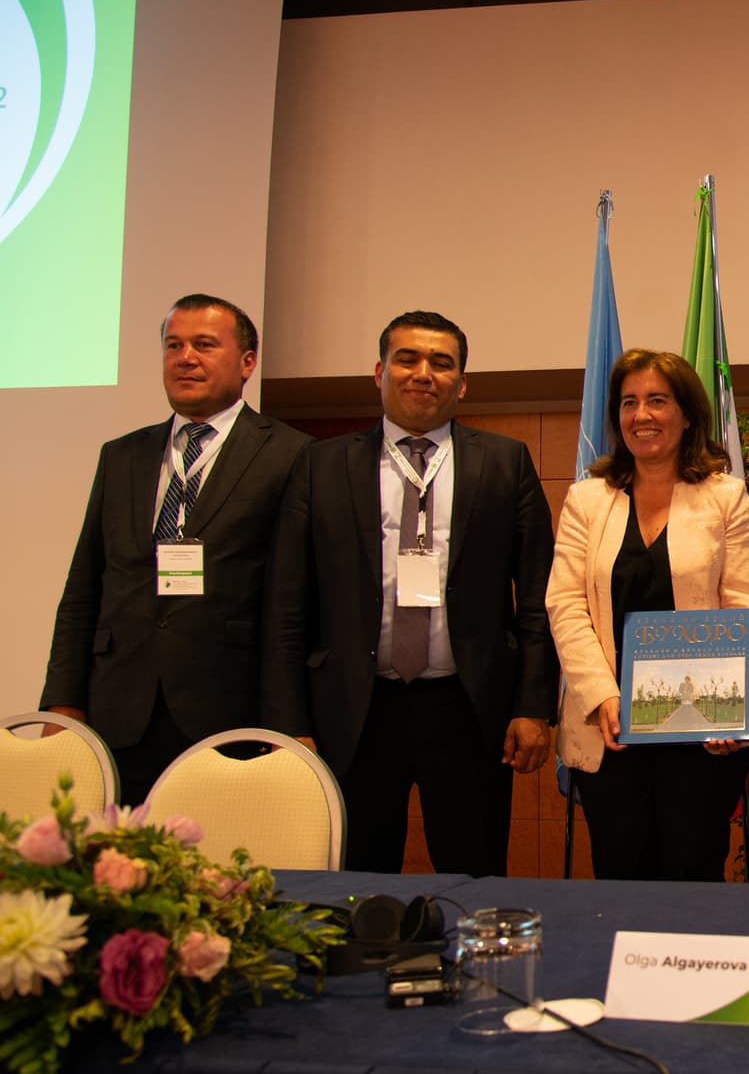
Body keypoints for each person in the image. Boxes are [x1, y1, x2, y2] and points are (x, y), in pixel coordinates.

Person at [266, 310, 556, 876]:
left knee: (472, 874)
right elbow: (287, 603)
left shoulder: (505, 461)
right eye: (407, 359)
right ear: (379, 372)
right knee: (356, 876)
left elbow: (538, 597)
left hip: (468, 709)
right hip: (353, 708)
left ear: (462, 383)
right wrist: (289, 718)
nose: (423, 373)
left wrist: (532, 706)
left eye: (441, 363)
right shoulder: (320, 464)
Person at [42, 295, 312, 804]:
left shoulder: (292, 454)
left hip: (230, 711)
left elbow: (294, 602)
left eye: (204, 345)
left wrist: (288, 721)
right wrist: (62, 701)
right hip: (119, 709)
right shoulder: (122, 454)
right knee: (124, 870)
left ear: (248, 362)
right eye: (174, 345)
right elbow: (84, 588)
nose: (185, 357)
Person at [546, 349, 749, 881]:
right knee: (621, 875)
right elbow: (566, 603)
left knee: (693, 875)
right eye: (629, 403)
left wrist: (730, 702)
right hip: (610, 726)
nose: (641, 415)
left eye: (657, 401)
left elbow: (747, 606)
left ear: (686, 413)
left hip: (700, 729)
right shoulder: (587, 499)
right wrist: (603, 695)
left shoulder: (725, 497)